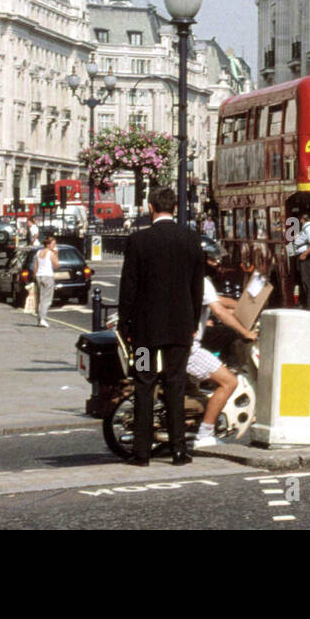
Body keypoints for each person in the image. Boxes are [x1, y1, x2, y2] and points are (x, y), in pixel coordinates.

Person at [117, 185, 206, 467]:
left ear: (150, 207)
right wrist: (192, 323)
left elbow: (128, 287)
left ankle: (142, 452)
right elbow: (197, 288)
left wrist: (124, 323)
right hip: (180, 329)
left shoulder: (138, 241)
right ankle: (179, 451)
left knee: (144, 383)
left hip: (144, 333)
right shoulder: (191, 240)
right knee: (175, 384)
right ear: (175, 208)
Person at [188, 247, 258, 450]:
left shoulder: (186, 277)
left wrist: (240, 305)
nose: (217, 265)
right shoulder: (201, 281)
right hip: (188, 348)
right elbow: (218, 310)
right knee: (229, 381)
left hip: (169, 345)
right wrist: (245, 332)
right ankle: (205, 434)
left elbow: (215, 300)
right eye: (213, 261)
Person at [289, 208, 310, 309]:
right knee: (305, 282)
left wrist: (304, 255)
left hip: (308, 258)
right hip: (307, 257)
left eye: (300, 218)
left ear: (303, 219)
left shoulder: (309, 228)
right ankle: (306, 305)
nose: (299, 220)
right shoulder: (308, 228)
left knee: (308, 283)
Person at [33, 235, 60, 329]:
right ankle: (42, 319)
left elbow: (35, 266)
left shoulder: (39, 252)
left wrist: (35, 276)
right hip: (48, 276)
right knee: (47, 299)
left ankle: (39, 318)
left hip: (39, 276)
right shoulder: (51, 253)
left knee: (40, 298)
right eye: (53, 244)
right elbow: (56, 265)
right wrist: (56, 254)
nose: (54, 246)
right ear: (48, 244)